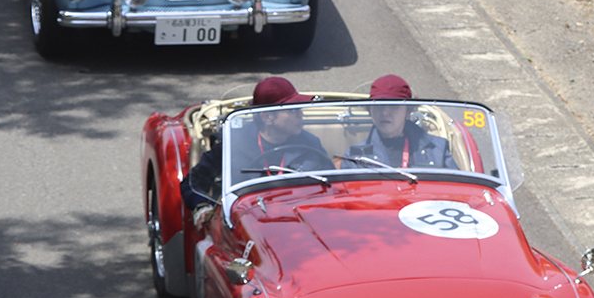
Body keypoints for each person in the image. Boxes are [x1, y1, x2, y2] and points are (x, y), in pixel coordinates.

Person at [182, 76, 329, 207]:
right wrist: (202, 206)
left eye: (299, 109)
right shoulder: (233, 144)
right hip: (249, 215)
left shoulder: (311, 143)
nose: (300, 115)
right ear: (267, 117)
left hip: (299, 212)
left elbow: (330, 185)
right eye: (292, 110)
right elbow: (192, 184)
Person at [345, 74, 459, 169]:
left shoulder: (438, 149)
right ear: (370, 110)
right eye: (379, 105)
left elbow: (456, 186)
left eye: (393, 106)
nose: (385, 113)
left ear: (408, 111)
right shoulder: (354, 156)